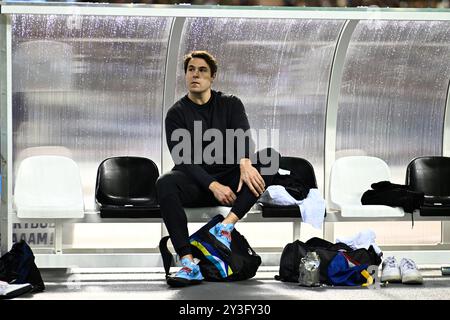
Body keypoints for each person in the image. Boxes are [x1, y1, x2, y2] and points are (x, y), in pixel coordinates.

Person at [156, 50, 279, 287]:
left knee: (271, 158)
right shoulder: (176, 113)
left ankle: (225, 228)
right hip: (198, 183)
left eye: (202, 70)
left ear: (212, 76)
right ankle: (189, 263)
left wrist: (245, 162)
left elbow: (244, 137)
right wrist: (213, 186)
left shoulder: (230, 104)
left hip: (232, 178)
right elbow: (184, 160)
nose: (195, 74)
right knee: (165, 182)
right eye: (191, 70)